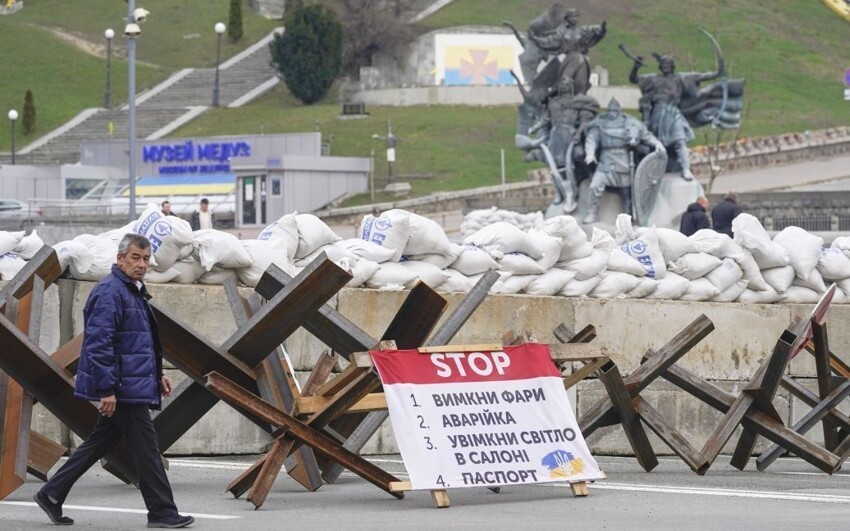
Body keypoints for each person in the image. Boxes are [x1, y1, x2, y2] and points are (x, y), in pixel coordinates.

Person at [33, 234, 194, 529]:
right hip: (120, 389)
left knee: (100, 442)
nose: (142, 264)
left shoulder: (133, 291)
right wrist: (106, 390)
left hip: (127, 385)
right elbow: (98, 345)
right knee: (147, 450)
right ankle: (161, 512)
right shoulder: (110, 292)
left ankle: (51, 494)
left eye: (146, 259)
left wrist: (156, 376)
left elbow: (136, 344)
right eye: (135, 257)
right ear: (120, 259)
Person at [629, 55, 720, 181]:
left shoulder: (679, 78)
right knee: (655, 144)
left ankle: (686, 169)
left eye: (668, 64)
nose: (666, 66)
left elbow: (700, 76)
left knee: (680, 140)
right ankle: (652, 170)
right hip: (658, 114)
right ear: (660, 66)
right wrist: (636, 67)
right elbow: (634, 79)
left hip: (673, 112)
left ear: (672, 66)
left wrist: (717, 73)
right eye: (663, 64)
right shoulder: (653, 78)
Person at [583, 98, 665, 224]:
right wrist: (590, 154)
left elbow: (646, 136)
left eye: (615, 111)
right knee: (594, 186)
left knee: (627, 193)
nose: (612, 113)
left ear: (619, 111)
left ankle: (628, 218)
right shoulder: (600, 123)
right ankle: (592, 213)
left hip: (623, 161)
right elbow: (591, 140)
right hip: (606, 161)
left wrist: (657, 143)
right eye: (610, 110)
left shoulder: (630, 123)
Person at [529, 8, 607, 96]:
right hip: (569, 60)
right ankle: (559, 89)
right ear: (567, 18)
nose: (575, 18)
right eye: (572, 16)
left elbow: (595, 30)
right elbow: (549, 41)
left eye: (576, 16)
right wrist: (535, 39)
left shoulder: (583, 30)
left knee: (581, 85)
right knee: (567, 76)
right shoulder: (562, 33)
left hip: (581, 61)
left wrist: (601, 29)